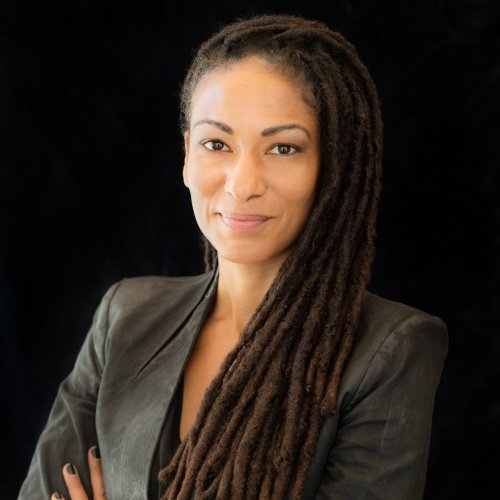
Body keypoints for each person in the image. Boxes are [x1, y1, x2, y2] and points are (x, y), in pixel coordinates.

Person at [18, 13, 448, 500]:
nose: (243, 184)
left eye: (283, 148)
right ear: (186, 156)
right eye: (216, 144)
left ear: (334, 168)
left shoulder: (391, 350)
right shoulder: (125, 316)